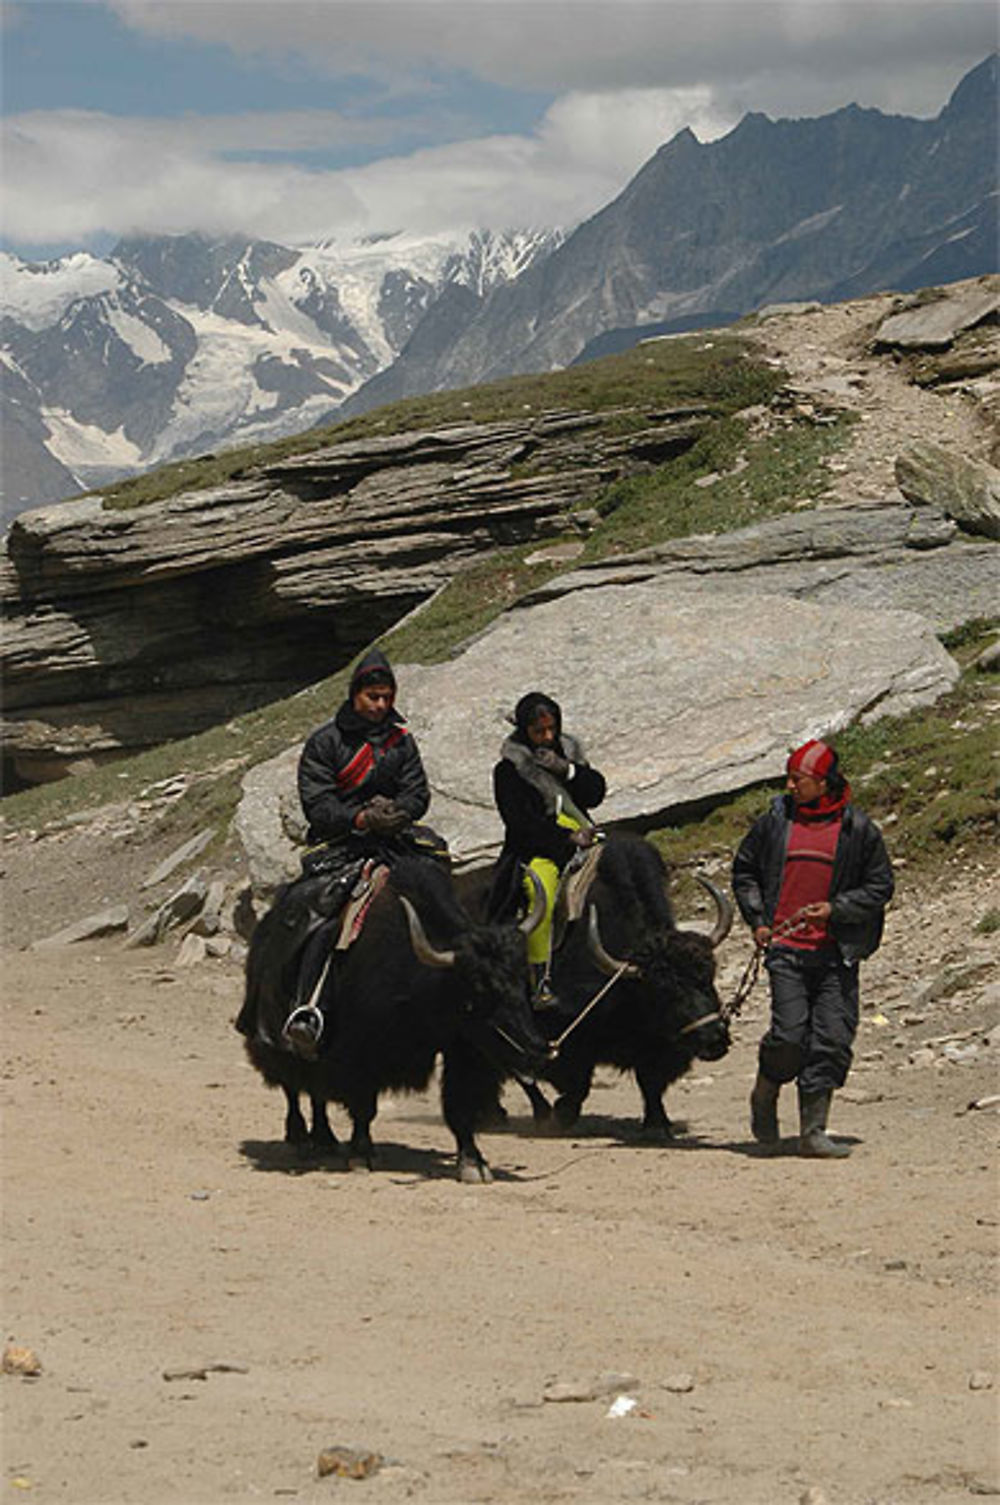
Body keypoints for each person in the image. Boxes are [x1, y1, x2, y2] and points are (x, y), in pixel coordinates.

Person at [731, 738, 894, 1158]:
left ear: (824, 783)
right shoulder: (774, 823)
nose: (790, 786)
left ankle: (813, 1130)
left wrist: (837, 909)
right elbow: (745, 870)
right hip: (785, 948)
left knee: (832, 1038)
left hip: (837, 952)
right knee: (789, 1035)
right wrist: (758, 921)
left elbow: (880, 886)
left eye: (798, 779)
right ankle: (766, 1090)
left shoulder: (857, 830)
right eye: (789, 778)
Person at [283, 647, 431, 1055]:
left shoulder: (402, 741)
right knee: (326, 916)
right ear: (354, 695)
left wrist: (398, 813)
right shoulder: (325, 743)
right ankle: (308, 1007)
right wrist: (362, 819)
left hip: (396, 840)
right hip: (343, 844)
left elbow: (418, 792)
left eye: (387, 697)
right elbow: (319, 804)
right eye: (373, 697)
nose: (381, 705)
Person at [488, 691, 606, 1008]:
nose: (547, 737)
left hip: (588, 833)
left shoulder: (568, 754)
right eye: (539, 731)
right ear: (525, 731)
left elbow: (596, 793)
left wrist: (567, 770)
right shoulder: (509, 771)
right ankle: (541, 977)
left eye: (552, 729)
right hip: (542, 846)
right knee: (539, 888)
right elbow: (520, 824)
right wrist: (566, 839)